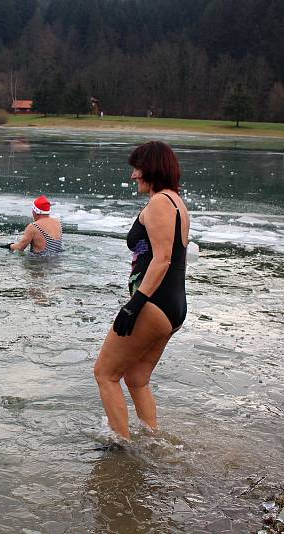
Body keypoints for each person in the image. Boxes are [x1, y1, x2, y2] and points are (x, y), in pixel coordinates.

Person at [93, 141, 189, 440]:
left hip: (153, 303)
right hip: (173, 306)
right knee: (136, 379)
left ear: (153, 169)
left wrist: (135, 303)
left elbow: (162, 259)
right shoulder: (177, 201)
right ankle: (153, 441)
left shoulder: (160, 202)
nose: (134, 175)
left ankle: (121, 447)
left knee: (105, 374)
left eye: (138, 168)